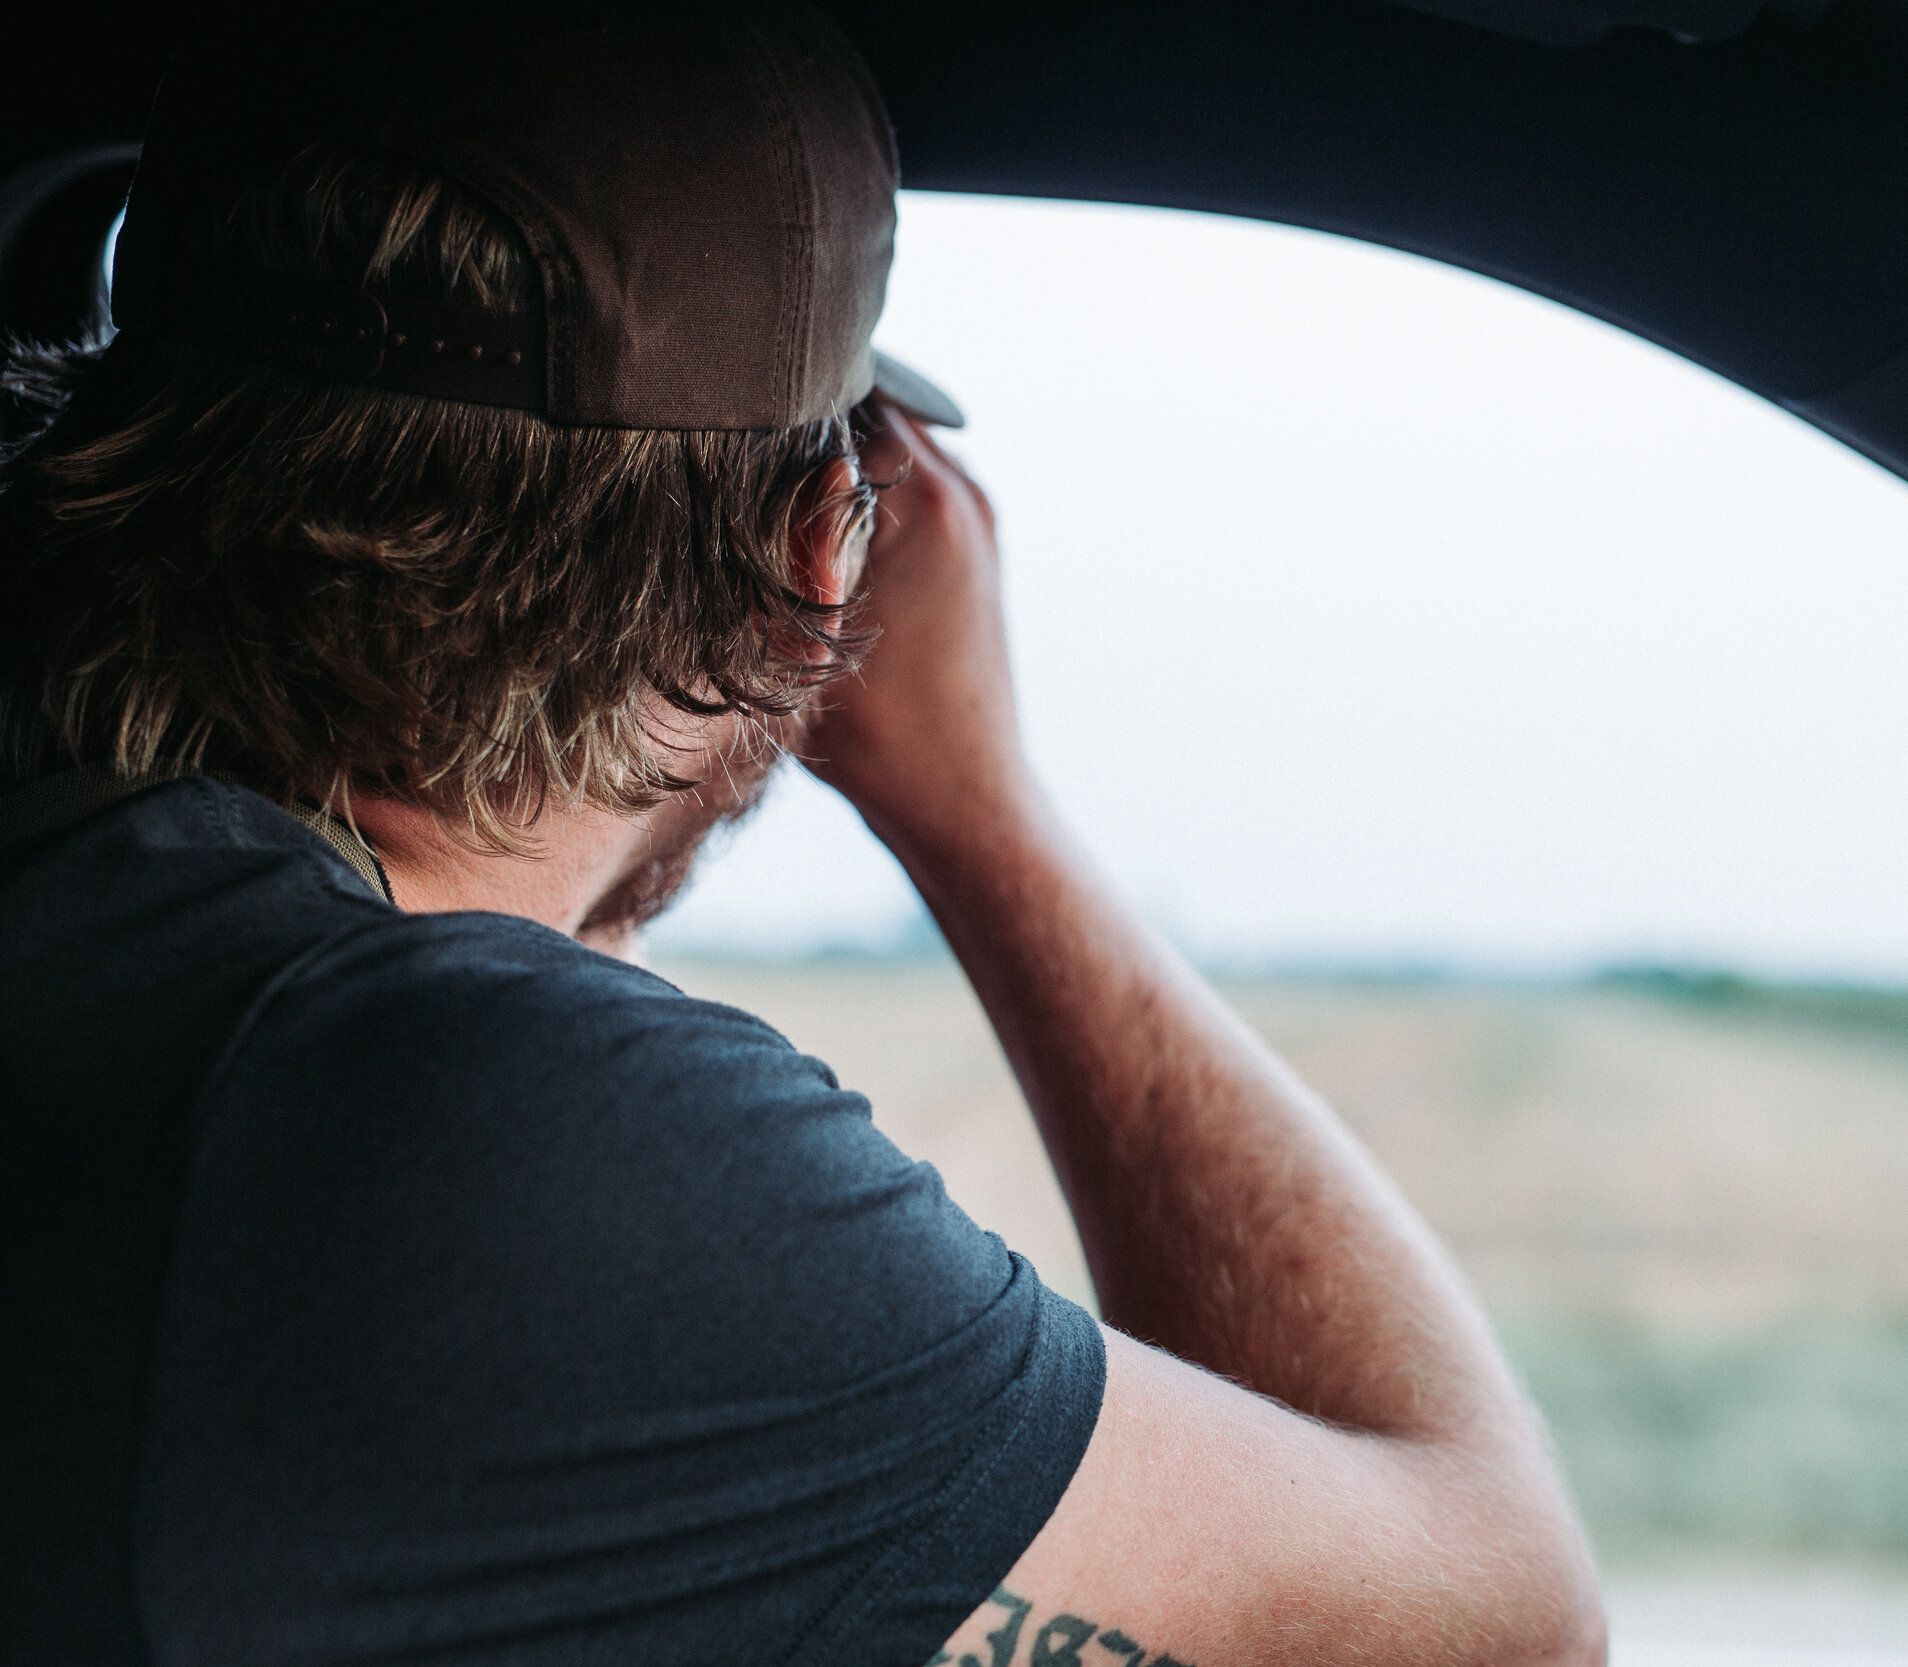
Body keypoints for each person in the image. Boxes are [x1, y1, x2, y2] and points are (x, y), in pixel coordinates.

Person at [0, 6, 1604, 1664]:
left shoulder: (111, 953)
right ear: (820, 564)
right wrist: (986, 817)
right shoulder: (495, 1131)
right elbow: (1498, 1621)